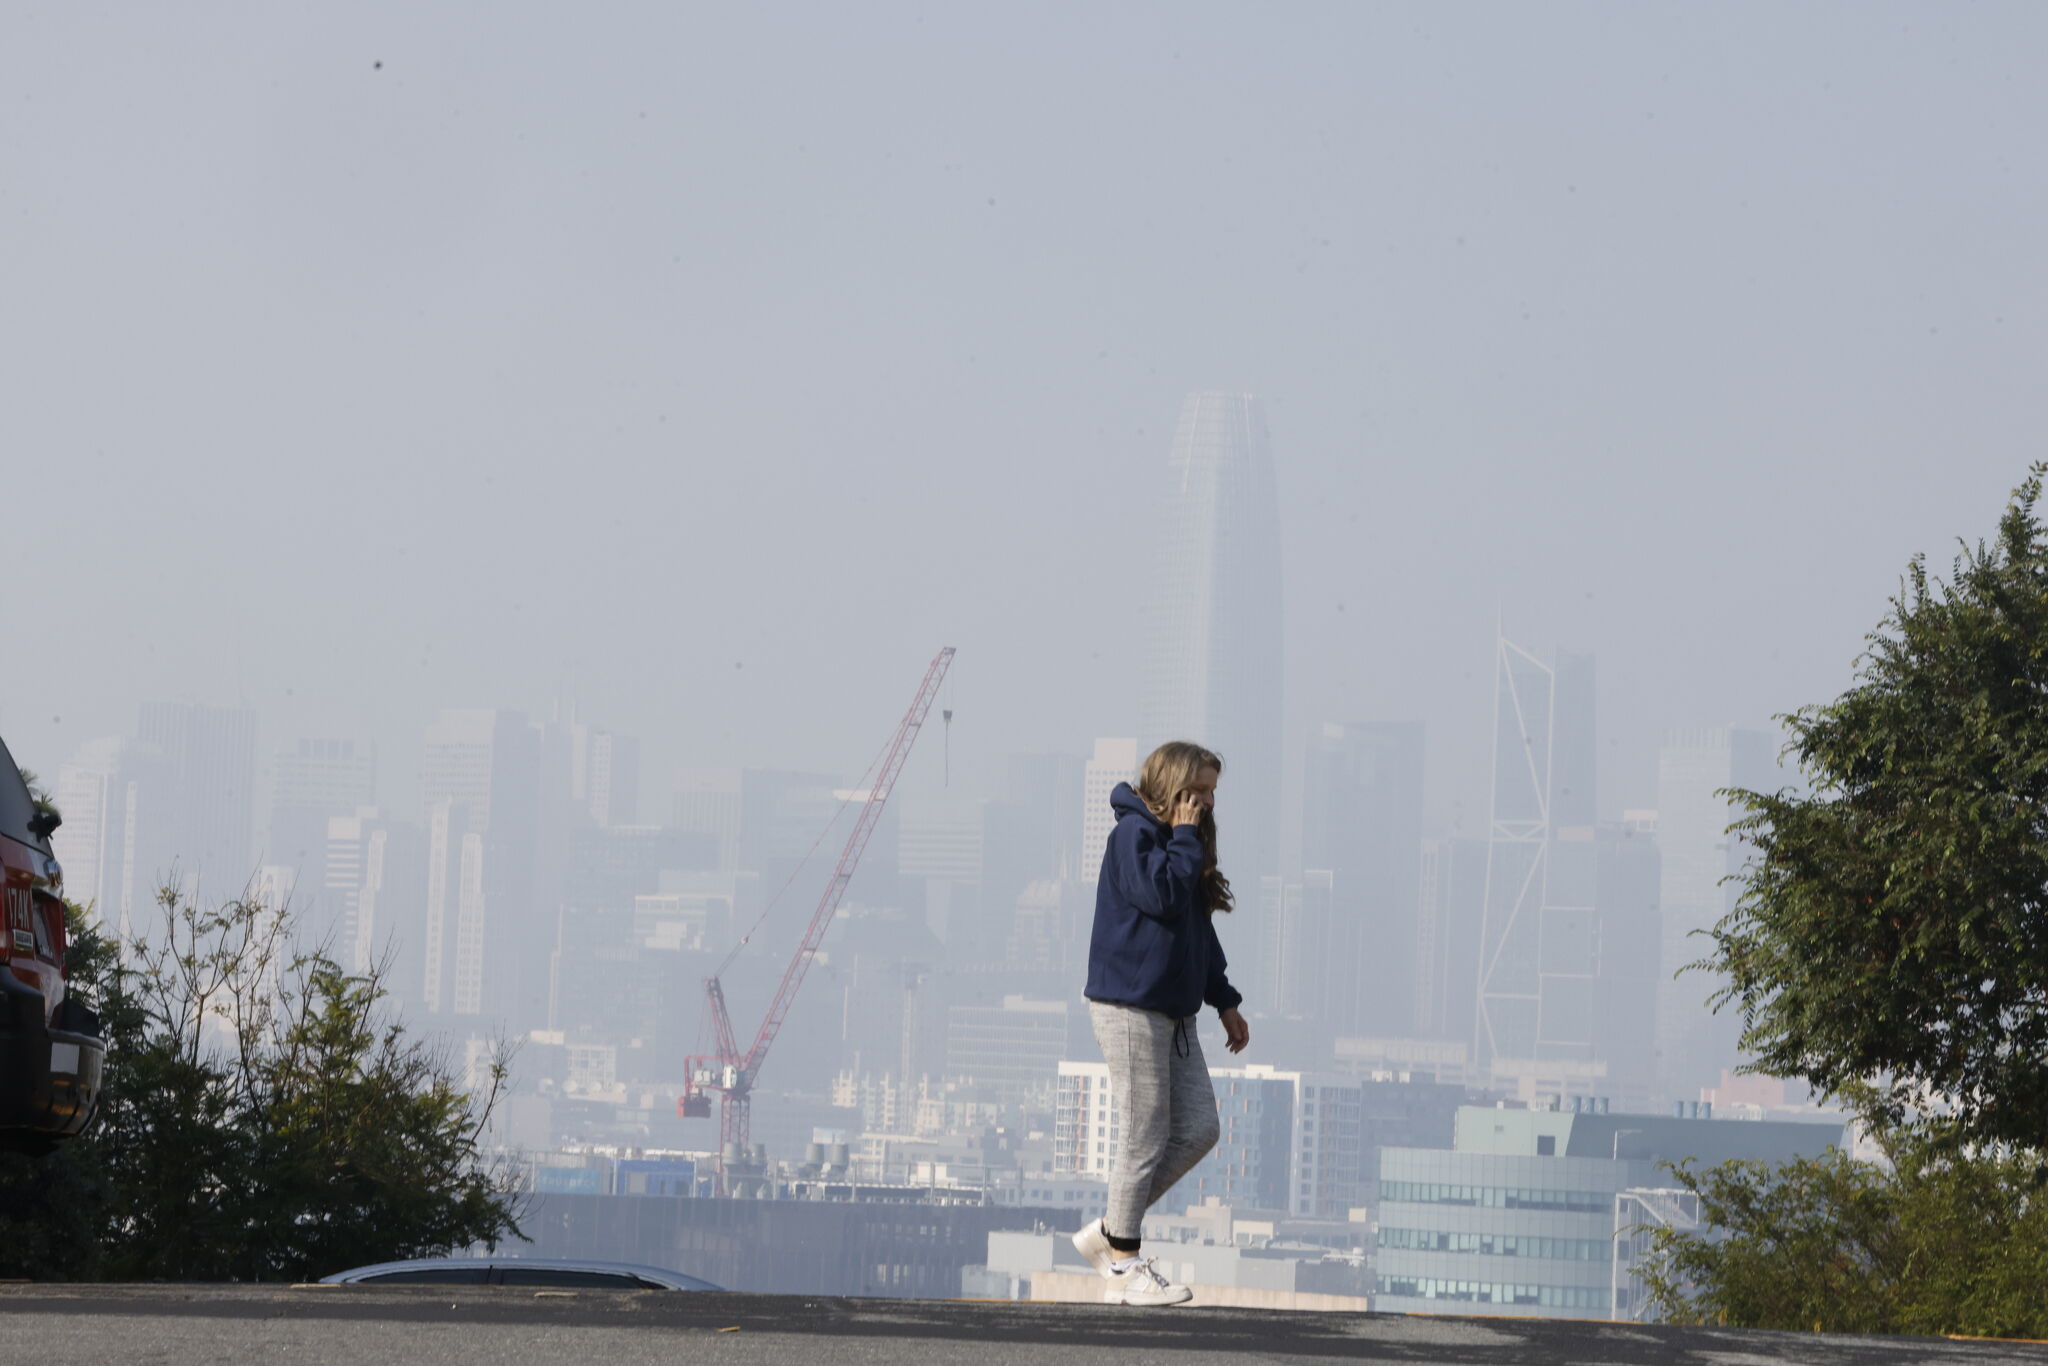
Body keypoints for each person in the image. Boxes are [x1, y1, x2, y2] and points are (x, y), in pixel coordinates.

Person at [1070, 740, 1250, 1307]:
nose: (1205, 804)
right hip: (1130, 1009)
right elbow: (1164, 897)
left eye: (1212, 794)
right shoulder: (1134, 836)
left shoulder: (1180, 842)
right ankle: (1123, 1265)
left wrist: (1224, 999)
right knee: (1144, 1134)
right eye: (1197, 792)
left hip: (1174, 1015)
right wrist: (1186, 836)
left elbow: (1196, 930)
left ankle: (1110, 1230)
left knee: (1198, 1129)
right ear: (1172, 785)